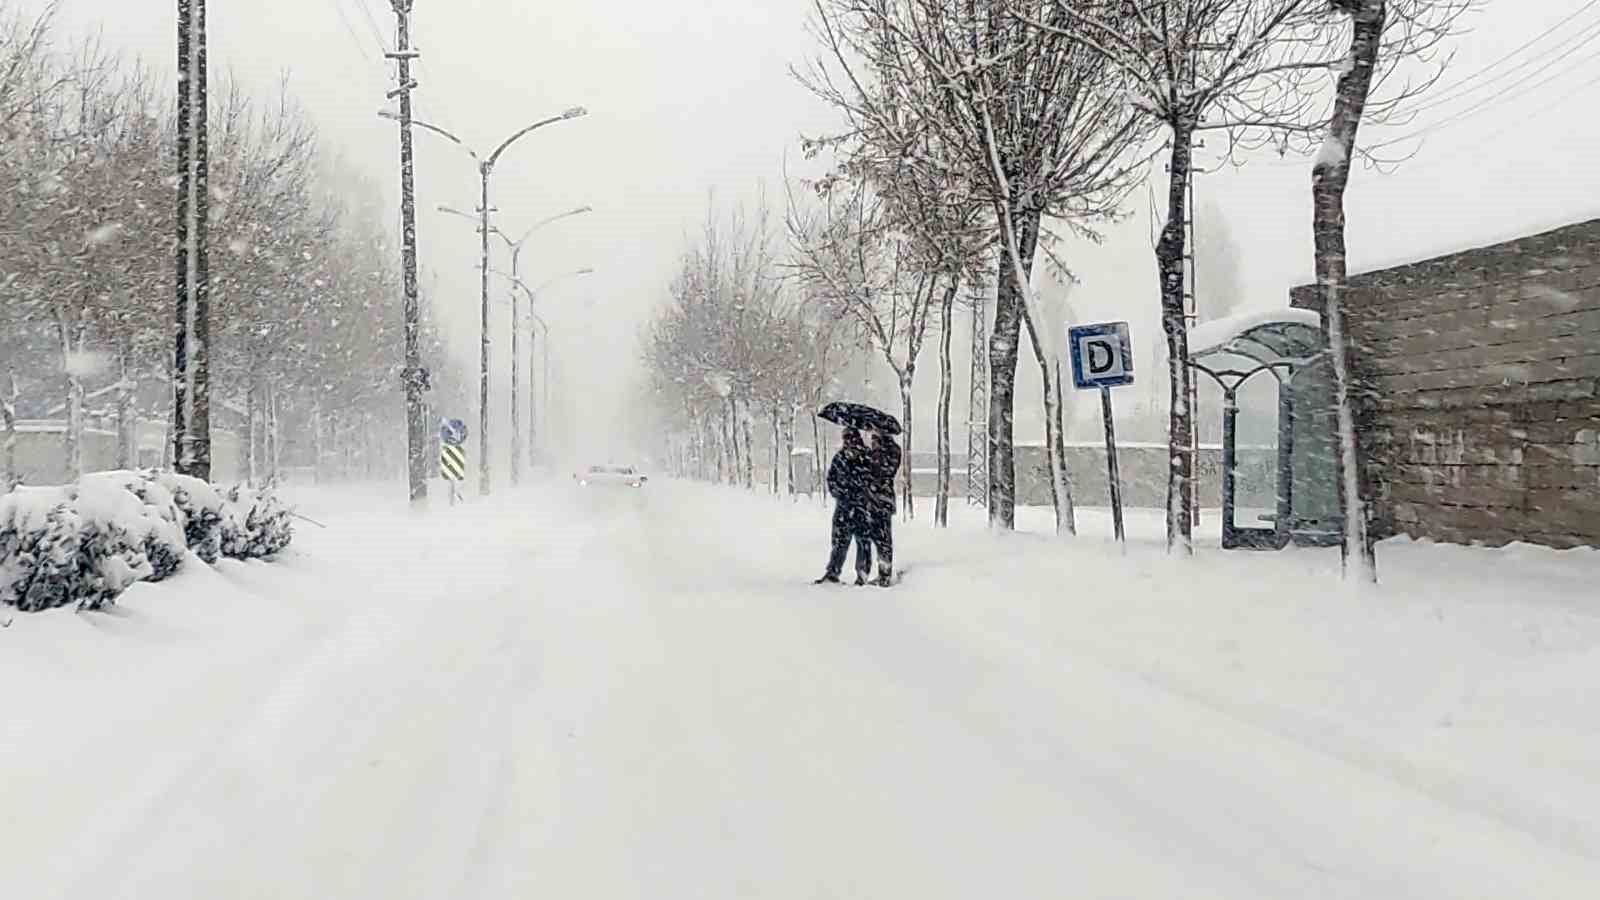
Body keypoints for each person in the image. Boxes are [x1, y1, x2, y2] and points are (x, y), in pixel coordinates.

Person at [816, 428, 873, 585]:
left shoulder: (866, 457)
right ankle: (834, 571)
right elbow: (831, 479)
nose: (847, 442)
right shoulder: (841, 457)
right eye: (845, 439)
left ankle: (861, 574)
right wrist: (839, 493)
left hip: (860, 506)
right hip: (846, 506)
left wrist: (861, 492)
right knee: (841, 541)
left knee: (862, 541)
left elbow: (872, 479)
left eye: (849, 438)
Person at [859, 426, 901, 587]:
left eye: (874, 438)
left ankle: (884, 575)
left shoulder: (883, 453)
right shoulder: (891, 451)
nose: (872, 441)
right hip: (881, 500)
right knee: (881, 538)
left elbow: (877, 473)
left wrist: (869, 459)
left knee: (882, 539)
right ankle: (883, 572)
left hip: (879, 500)